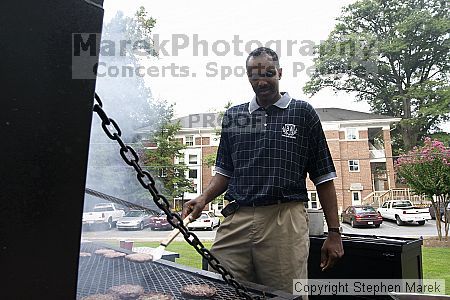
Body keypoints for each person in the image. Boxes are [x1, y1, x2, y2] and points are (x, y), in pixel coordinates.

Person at [182, 47, 343, 295]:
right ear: (248, 77)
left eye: (268, 73)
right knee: (220, 289)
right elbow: (224, 171)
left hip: (284, 219)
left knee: (286, 293)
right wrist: (203, 198)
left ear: (279, 72)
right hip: (237, 215)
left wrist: (334, 233)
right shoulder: (235, 116)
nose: (262, 81)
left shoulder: (302, 113)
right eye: (254, 75)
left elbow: (323, 177)